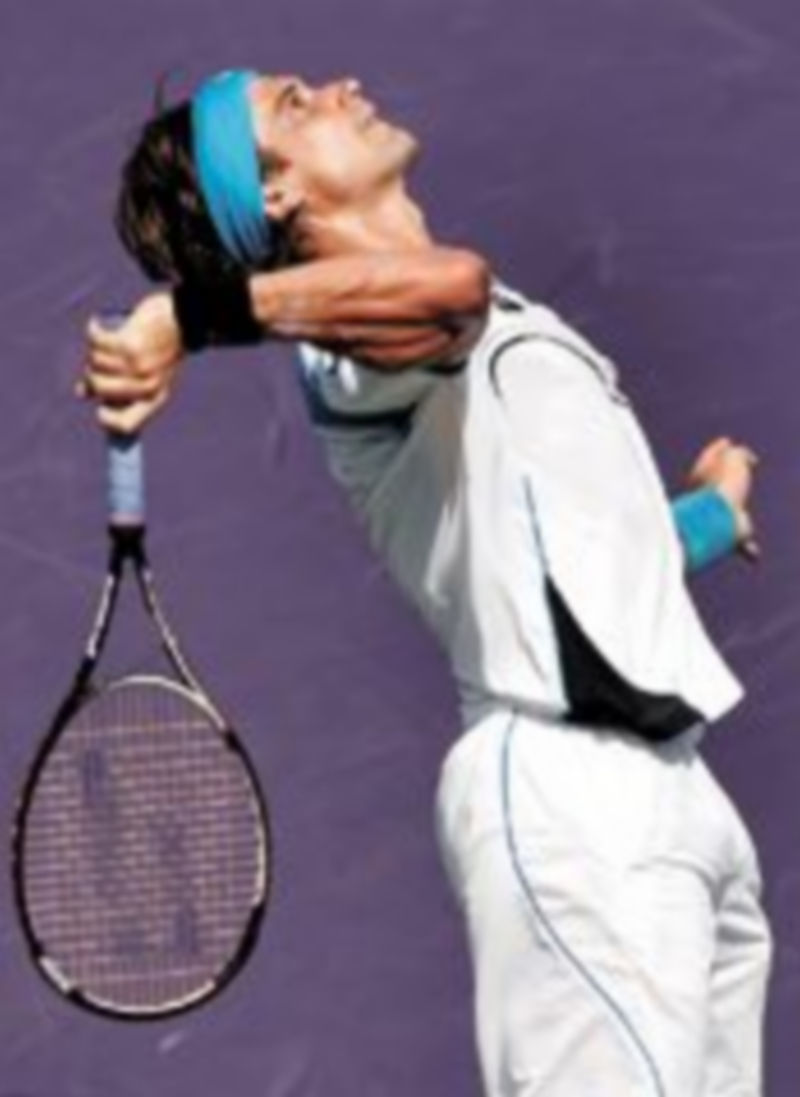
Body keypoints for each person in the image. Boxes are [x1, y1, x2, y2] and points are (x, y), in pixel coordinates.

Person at [82, 69, 771, 1096]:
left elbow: (579, 553)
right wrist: (191, 316)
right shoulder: (356, 356)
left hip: (676, 803)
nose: (338, 87)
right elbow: (443, 291)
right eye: (292, 104)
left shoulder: (503, 330)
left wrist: (708, 514)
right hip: (574, 803)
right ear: (273, 196)